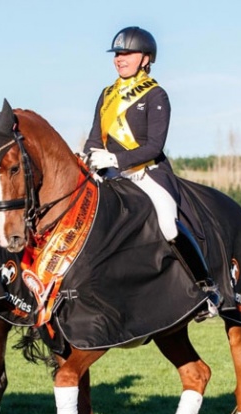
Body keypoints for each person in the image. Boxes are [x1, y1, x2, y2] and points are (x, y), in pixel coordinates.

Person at [83, 26, 220, 320]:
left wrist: (116, 158)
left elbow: (154, 146)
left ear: (145, 58)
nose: (120, 59)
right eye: (117, 54)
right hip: (112, 177)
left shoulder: (156, 95)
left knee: (168, 224)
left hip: (148, 174)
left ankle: (206, 288)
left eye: (127, 53)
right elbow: (96, 137)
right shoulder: (106, 95)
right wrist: (90, 160)